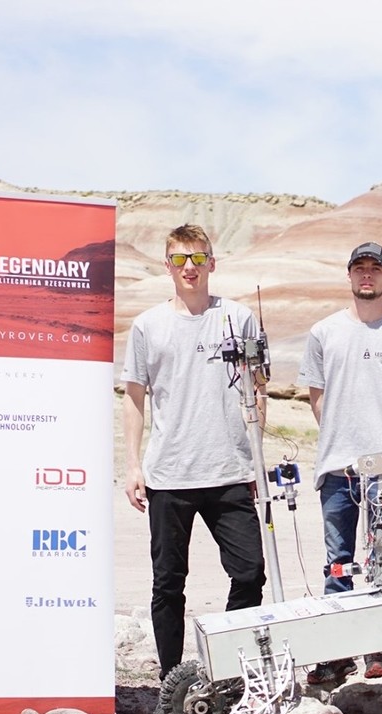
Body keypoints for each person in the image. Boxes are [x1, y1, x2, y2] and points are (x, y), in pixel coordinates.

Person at [122, 224, 266, 676]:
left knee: (250, 572)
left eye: (199, 258)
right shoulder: (148, 326)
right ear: (167, 265)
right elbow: (134, 398)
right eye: (181, 259)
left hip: (230, 471)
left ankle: (225, 666)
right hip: (169, 476)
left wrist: (257, 458)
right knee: (168, 584)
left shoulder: (238, 318)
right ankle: (172, 683)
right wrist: (133, 465)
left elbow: (258, 389)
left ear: (212, 263)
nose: (190, 267)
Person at [297, 242, 382, 683]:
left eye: (376, 268)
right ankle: (336, 653)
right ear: (350, 275)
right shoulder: (324, 332)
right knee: (338, 561)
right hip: (338, 467)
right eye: (360, 268)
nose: (367, 275)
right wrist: (345, 437)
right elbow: (317, 398)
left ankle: (380, 648)